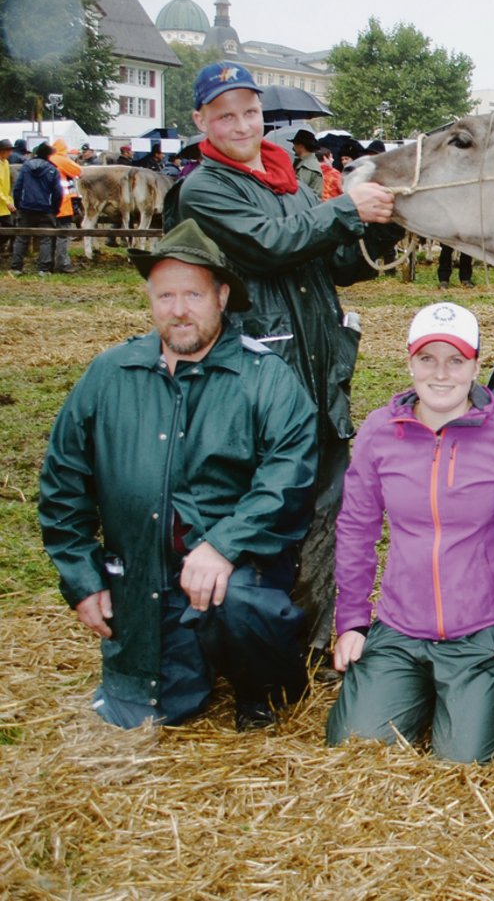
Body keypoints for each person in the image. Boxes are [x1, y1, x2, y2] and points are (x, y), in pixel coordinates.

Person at [38, 220, 318, 730]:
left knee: (244, 607)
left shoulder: (266, 377)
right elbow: (62, 484)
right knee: (159, 710)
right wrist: (82, 579)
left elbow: (289, 477)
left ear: (222, 296)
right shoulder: (110, 373)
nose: (179, 309)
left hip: (234, 568)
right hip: (140, 566)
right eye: (165, 295)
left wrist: (223, 545)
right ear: (150, 300)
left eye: (193, 293)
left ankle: (260, 687)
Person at [171, 61, 401, 670]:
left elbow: (329, 262)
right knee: (267, 511)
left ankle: (317, 644)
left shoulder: (287, 177)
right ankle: (257, 655)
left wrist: (381, 230)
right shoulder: (203, 188)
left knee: (326, 507)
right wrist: (346, 209)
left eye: (250, 111)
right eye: (226, 114)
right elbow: (273, 244)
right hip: (258, 377)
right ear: (202, 121)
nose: (242, 124)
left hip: (320, 371)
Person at [326, 302, 494, 762]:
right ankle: (409, 689)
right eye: (427, 359)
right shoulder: (382, 430)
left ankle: (469, 701)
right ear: (409, 361)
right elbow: (357, 528)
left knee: (465, 760)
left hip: (480, 631)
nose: (441, 374)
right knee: (356, 749)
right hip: (401, 627)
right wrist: (353, 621)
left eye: (456, 361)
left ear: (477, 366)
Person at [9, 142, 62, 274]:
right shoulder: (52, 170)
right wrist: (55, 209)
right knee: (46, 238)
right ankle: (43, 269)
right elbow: (58, 193)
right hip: (46, 209)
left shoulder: (26, 167)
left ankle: (16, 268)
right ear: (48, 156)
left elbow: (17, 188)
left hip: (26, 207)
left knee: (22, 238)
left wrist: (18, 205)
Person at [48, 140, 82, 274]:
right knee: (63, 235)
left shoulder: (46, 160)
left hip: (46, 205)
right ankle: (62, 264)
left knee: (48, 236)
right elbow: (78, 171)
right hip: (63, 204)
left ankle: (46, 264)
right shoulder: (61, 160)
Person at [290, 129, 323, 197]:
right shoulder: (306, 162)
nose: (293, 147)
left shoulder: (307, 166)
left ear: (301, 146)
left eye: (295, 144)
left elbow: (298, 190)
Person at [0, 139, 14, 260]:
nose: (10, 153)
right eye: (8, 150)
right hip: (3, 202)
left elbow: (6, 185)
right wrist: (7, 201)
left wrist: (9, 201)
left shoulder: (6, 163)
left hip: (4, 204)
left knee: (9, 227)